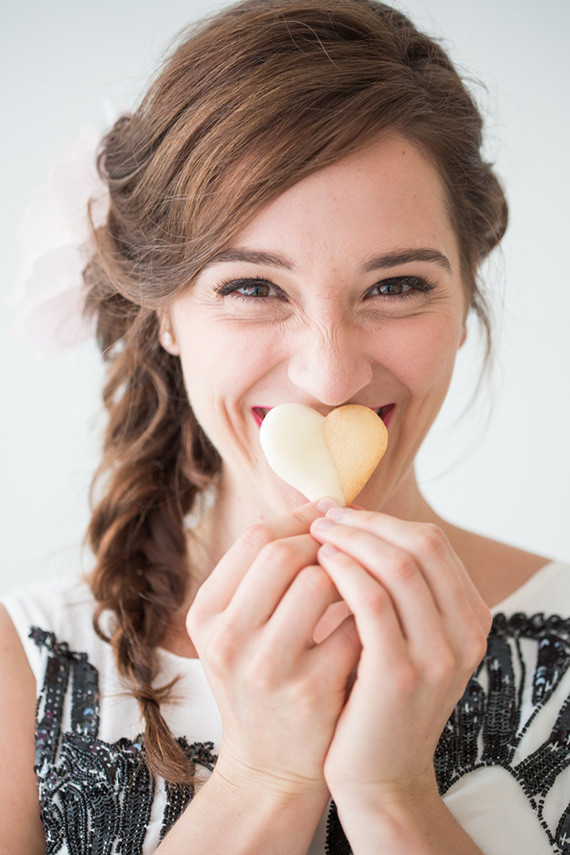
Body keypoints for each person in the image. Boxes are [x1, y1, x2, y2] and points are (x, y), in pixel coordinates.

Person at [1, 0, 567, 852]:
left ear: (464, 300)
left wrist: (393, 796)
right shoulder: (25, 671)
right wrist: (265, 778)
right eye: (253, 288)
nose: (330, 373)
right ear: (165, 316)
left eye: (398, 285)